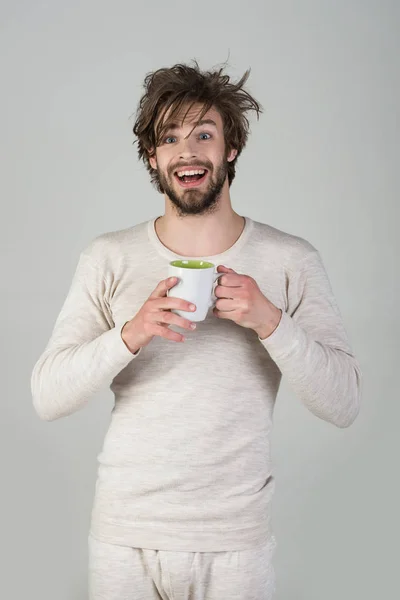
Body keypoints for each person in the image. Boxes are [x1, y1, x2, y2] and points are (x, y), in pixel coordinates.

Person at [31, 60, 362, 600]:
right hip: (124, 536)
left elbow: (344, 402)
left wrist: (271, 322)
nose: (187, 151)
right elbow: (47, 396)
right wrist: (129, 334)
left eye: (204, 134)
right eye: (170, 137)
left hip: (236, 543)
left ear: (230, 148)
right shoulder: (109, 257)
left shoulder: (290, 260)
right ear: (153, 157)